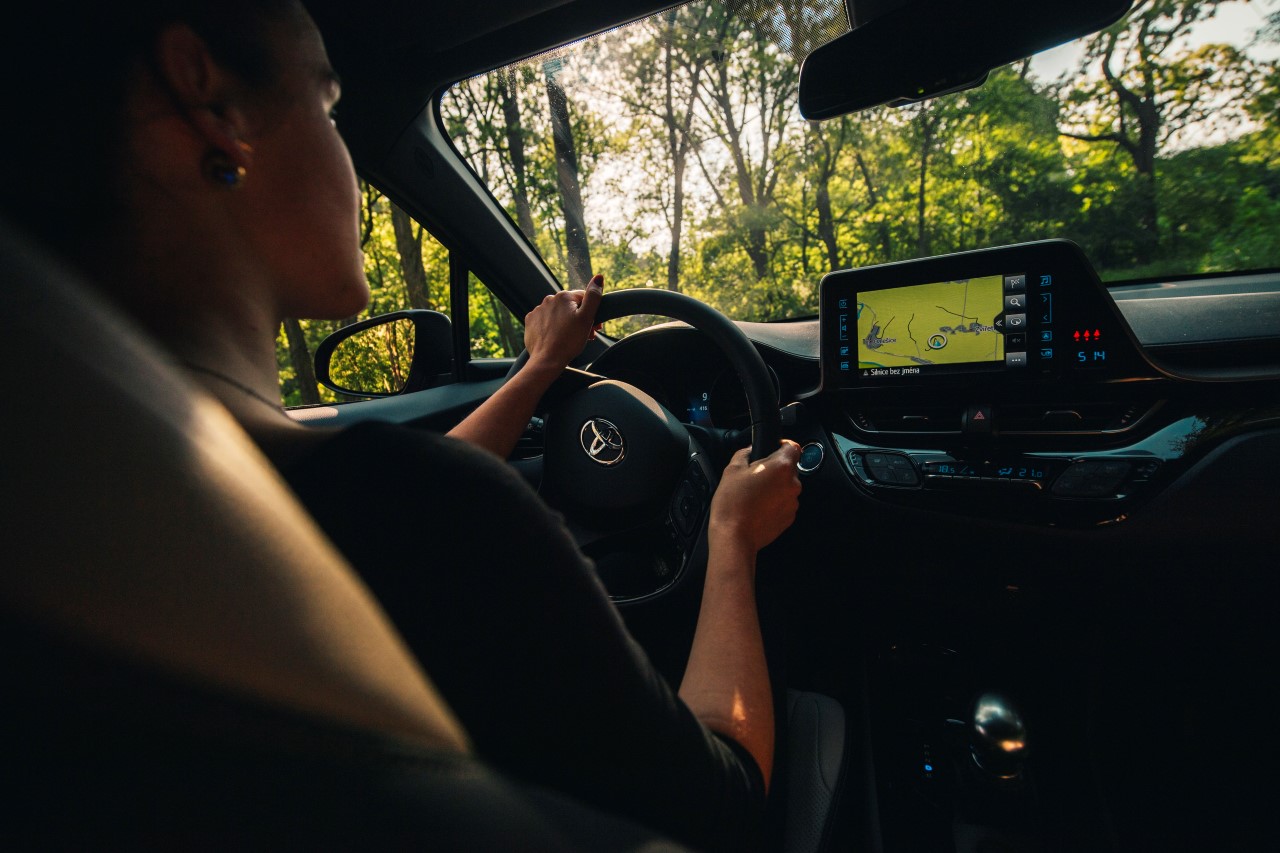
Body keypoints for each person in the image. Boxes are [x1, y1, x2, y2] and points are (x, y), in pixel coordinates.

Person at [0, 2, 802, 850]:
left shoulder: (83, 513)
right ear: (211, 104)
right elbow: (722, 802)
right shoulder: (426, 515)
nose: (346, 159)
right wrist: (731, 539)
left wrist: (537, 370)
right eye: (329, 107)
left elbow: (398, 519)